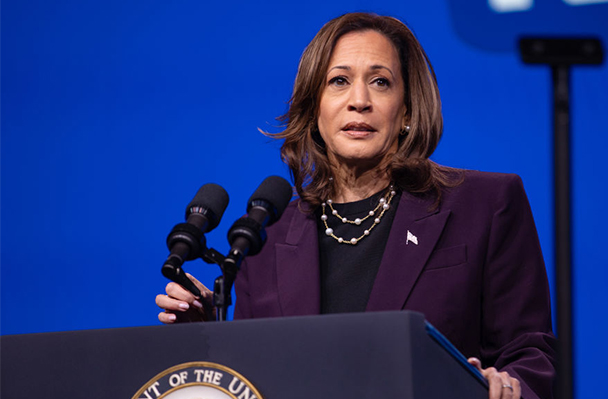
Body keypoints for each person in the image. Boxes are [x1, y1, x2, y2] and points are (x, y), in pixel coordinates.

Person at [156, 12, 556, 399]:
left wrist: (505, 386)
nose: (359, 101)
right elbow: (257, 381)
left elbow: (532, 355)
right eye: (339, 81)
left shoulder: (484, 204)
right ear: (315, 110)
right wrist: (210, 336)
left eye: (380, 82)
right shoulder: (263, 239)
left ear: (407, 110)